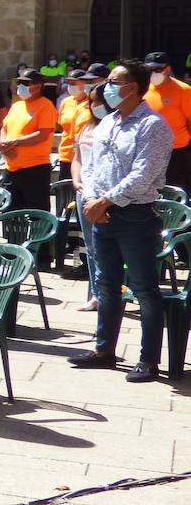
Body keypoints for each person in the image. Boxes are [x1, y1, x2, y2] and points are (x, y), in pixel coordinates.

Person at [70, 60, 174, 383]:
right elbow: (91, 164)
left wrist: (106, 200)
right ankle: (104, 350)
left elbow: (143, 175)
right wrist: (90, 196)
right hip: (102, 214)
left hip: (135, 216)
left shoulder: (153, 126)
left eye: (115, 82)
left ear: (133, 88)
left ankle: (148, 358)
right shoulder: (108, 123)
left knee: (144, 288)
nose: (107, 89)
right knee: (106, 284)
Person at [69, 65, 111, 311]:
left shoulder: (112, 127)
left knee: (106, 247)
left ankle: (109, 293)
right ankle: (96, 294)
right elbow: (77, 157)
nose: (91, 106)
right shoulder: (86, 126)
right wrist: (77, 180)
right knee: (91, 246)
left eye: (96, 102)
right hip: (83, 192)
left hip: (103, 196)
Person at [0, 68, 57, 222]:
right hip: (11, 169)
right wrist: (4, 145)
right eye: (19, 82)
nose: (20, 86)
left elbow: (43, 134)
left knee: (36, 215)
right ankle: (14, 244)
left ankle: (39, 246)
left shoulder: (46, 106)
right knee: (11, 214)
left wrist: (15, 142)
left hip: (35, 169)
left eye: (25, 83)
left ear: (38, 86)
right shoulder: (17, 105)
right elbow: (4, 128)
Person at [142, 51, 191, 194]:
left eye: (157, 69)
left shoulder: (184, 90)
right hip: (149, 151)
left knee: (176, 190)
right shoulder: (142, 88)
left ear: (167, 69)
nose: (153, 73)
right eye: (149, 69)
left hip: (177, 151)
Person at [56, 69, 90, 181]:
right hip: (66, 154)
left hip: (84, 156)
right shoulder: (66, 102)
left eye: (74, 83)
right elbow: (61, 125)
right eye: (69, 83)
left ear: (84, 83)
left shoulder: (91, 102)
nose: (70, 86)